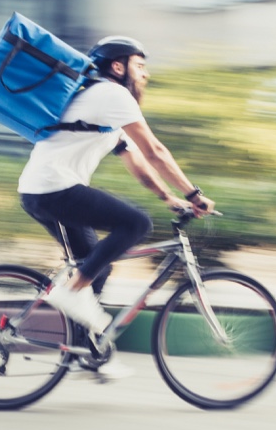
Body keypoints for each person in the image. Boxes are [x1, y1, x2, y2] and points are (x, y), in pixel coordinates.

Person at [18, 36, 215, 375]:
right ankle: (72, 293)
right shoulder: (113, 94)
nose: (145, 74)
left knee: (98, 265)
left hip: (41, 191)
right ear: (118, 66)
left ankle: (84, 352)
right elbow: (154, 150)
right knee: (136, 224)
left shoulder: (101, 104)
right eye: (140, 66)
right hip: (56, 189)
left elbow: (137, 161)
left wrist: (168, 197)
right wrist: (194, 194)